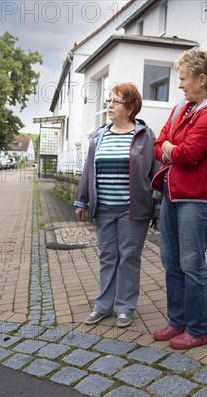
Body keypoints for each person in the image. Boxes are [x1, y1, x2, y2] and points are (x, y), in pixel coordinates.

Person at [151, 48, 207, 350]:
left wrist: (172, 150)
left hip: (196, 197)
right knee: (170, 260)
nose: (179, 84)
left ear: (202, 79)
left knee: (191, 261)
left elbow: (189, 154)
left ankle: (199, 329)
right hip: (172, 193)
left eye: (184, 79)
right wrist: (172, 148)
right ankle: (178, 322)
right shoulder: (179, 110)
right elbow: (157, 144)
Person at [74, 82, 161, 328]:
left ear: (131, 107)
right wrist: (82, 200)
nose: (109, 106)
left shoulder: (144, 136)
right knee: (108, 257)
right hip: (104, 208)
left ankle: (125, 308)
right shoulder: (99, 136)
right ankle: (103, 306)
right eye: (108, 101)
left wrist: (158, 204)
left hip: (133, 209)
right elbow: (88, 170)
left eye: (115, 102)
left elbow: (155, 173)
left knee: (129, 258)